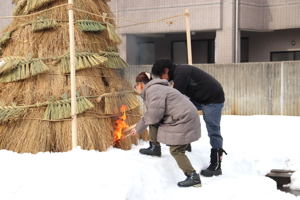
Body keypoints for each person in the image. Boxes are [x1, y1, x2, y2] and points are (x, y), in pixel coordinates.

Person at [150, 59, 227, 177]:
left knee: (213, 129)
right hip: (200, 98)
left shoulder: (181, 74)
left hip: (213, 99)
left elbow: (173, 99)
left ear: (166, 70)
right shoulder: (178, 73)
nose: (162, 79)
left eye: (161, 76)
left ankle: (216, 165)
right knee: (182, 113)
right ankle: (185, 143)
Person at [129, 72, 202, 187]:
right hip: (183, 117)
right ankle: (155, 147)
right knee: (152, 121)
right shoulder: (156, 88)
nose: (135, 88)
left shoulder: (154, 91)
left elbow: (153, 115)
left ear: (141, 84)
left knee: (176, 150)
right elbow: (152, 115)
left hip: (184, 120)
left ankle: (193, 177)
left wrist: (137, 128)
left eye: (136, 85)